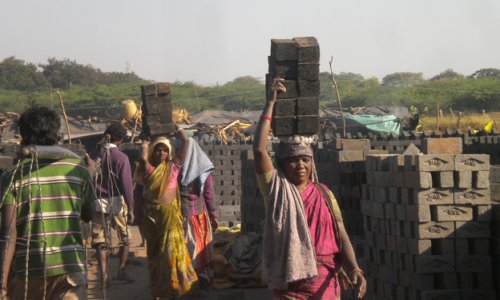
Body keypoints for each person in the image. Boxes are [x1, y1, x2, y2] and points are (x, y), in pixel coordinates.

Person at [253, 79, 367, 300]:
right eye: (293, 161)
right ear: (282, 164)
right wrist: (270, 104)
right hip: (289, 281)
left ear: (312, 162)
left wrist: (355, 269)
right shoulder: (276, 189)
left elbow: (341, 234)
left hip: (324, 278)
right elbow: (259, 150)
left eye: (305, 159)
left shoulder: (324, 193)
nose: (301, 166)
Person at [0, 105, 94, 300]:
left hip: (29, 272)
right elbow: (88, 215)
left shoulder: (13, 176)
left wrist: (2, 284)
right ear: (56, 133)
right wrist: (90, 176)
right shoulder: (78, 169)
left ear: (23, 135)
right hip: (70, 268)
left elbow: (9, 234)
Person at [139, 128, 198, 299]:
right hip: (154, 220)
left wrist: (177, 127)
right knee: (157, 255)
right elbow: (143, 158)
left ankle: (178, 288)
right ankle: (162, 290)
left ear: (169, 152)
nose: (161, 153)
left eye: (165, 150)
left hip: (170, 220)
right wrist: (144, 144)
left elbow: (186, 142)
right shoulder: (149, 170)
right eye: (158, 149)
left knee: (173, 254)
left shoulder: (173, 167)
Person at [90, 123, 135, 286]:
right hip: (116, 201)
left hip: (96, 203)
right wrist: (131, 207)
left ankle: (103, 277)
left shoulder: (94, 154)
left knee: (100, 241)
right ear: (120, 140)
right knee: (125, 238)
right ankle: (121, 271)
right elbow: (127, 185)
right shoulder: (121, 158)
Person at [178, 138, 218, 290]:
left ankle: (191, 279)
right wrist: (214, 216)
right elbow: (209, 194)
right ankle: (202, 278)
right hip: (200, 216)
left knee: (188, 248)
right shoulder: (203, 168)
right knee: (201, 249)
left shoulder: (176, 168)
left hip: (183, 216)